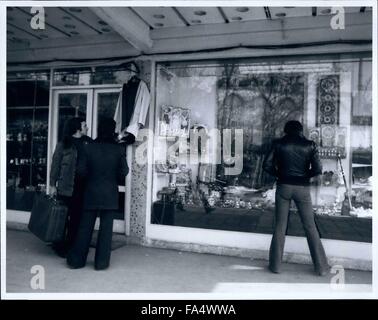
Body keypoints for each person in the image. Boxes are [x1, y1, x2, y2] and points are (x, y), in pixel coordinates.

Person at [263, 120, 329, 276]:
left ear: (286, 130)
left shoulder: (278, 143)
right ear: (300, 130)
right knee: (310, 226)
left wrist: (279, 174)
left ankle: (275, 266)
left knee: (280, 225)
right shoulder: (310, 144)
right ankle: (321, 268)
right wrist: (305, 176)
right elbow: (318, 169)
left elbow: (266, 165)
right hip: (302, 189)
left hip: (283, 187)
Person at [67, 118, 129, 270]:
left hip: (91, 192)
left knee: (85, 227)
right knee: (106, 230)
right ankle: (101, 263)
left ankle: (77, 261)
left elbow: (80, 171)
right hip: (109, 194)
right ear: (112, 131)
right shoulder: (118, 150)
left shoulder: (88, 147)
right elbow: (124, 172)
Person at [49, 117, 92, 257]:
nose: (87, 127)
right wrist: (52, 184)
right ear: (77, 128)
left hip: (82, 188)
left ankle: (72, 245)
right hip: (66, 186)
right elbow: (55, 164)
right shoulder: (63, 144)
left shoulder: (88, 142)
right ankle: (60, 246)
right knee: (63, 218)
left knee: (76, 218)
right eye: (85, 125)